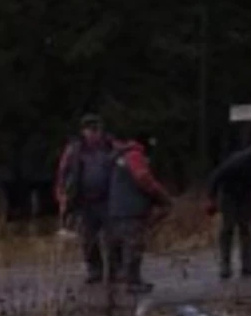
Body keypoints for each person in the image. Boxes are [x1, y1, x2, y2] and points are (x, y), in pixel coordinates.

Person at [105, 133, 171, 294]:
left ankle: (116, 280)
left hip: (115, 208)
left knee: (117, 246)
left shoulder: (116, 157)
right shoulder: (134, 155)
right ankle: (132, 282)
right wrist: (162, 196)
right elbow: (143, 178)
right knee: (133, 246)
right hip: (132, 209)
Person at [55, 114, 117, 284]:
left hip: (108, 199)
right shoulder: (74, 150)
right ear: (83, 131)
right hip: (84, 201)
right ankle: (94, 270)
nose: (94, 133)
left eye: (96, 129)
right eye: (90, 129)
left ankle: (115, 270)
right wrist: (62, 195)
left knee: (113, 237)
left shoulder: (111, 146)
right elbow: (63, 172)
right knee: (88, 239)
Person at [206, 136, 251, 279]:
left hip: (246, 195)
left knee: (246, 228)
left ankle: (247, 265)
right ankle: (225, 266)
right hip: (229, 194)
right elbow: (215, 176)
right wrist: (211, 199)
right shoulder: (238, 161)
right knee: (228, 228)